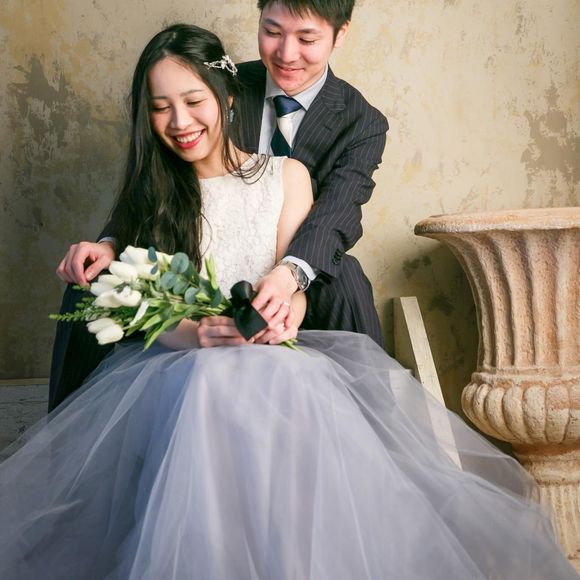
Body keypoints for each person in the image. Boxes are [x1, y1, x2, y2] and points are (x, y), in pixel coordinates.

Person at [0, 23, 576, 580]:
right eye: (160, 108)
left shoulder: (288, 175)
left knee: (284, 379)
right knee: (207, 383)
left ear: (227, 98)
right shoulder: (155, 193)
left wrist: (281, 316)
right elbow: (145, 300)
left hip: (271, 353)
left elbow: (296, 283)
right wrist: (196, 333)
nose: (179, 122)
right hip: (180, 363)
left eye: (194, 102)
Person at [49, 0, 388, 410]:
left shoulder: (361, 122)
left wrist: (287, 282)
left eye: (306, 38)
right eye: (272, 32)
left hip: (300, 271)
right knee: (91, 278)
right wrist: (109, 243)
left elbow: (335, 216)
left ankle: (371, 416)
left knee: (345, 275)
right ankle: (71, 426)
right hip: (189, 266)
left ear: (340, 33)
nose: (286, 53)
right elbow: (153, 179)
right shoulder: (211, 81)